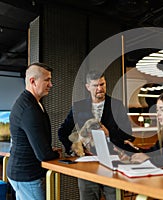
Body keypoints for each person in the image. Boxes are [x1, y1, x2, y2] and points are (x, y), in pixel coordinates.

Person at [58, 70, 136, 200]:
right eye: (96, 85)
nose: (100, 88)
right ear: (88, 87)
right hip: (87, 164)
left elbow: (128, 134)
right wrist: (72, 149)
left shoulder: (117, 105)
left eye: (102, 84)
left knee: (114, 197)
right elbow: (62, 131)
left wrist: (109, 133)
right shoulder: (78, 107)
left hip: (112, 162)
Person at [7, 63, 62, 200]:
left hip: (22, 173)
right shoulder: (29, 109)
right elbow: (43, 155)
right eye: (47, 80)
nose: (51, 84)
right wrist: (55, 153)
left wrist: (48, 150)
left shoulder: (32, 102)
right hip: (26, 175)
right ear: (33, 81)